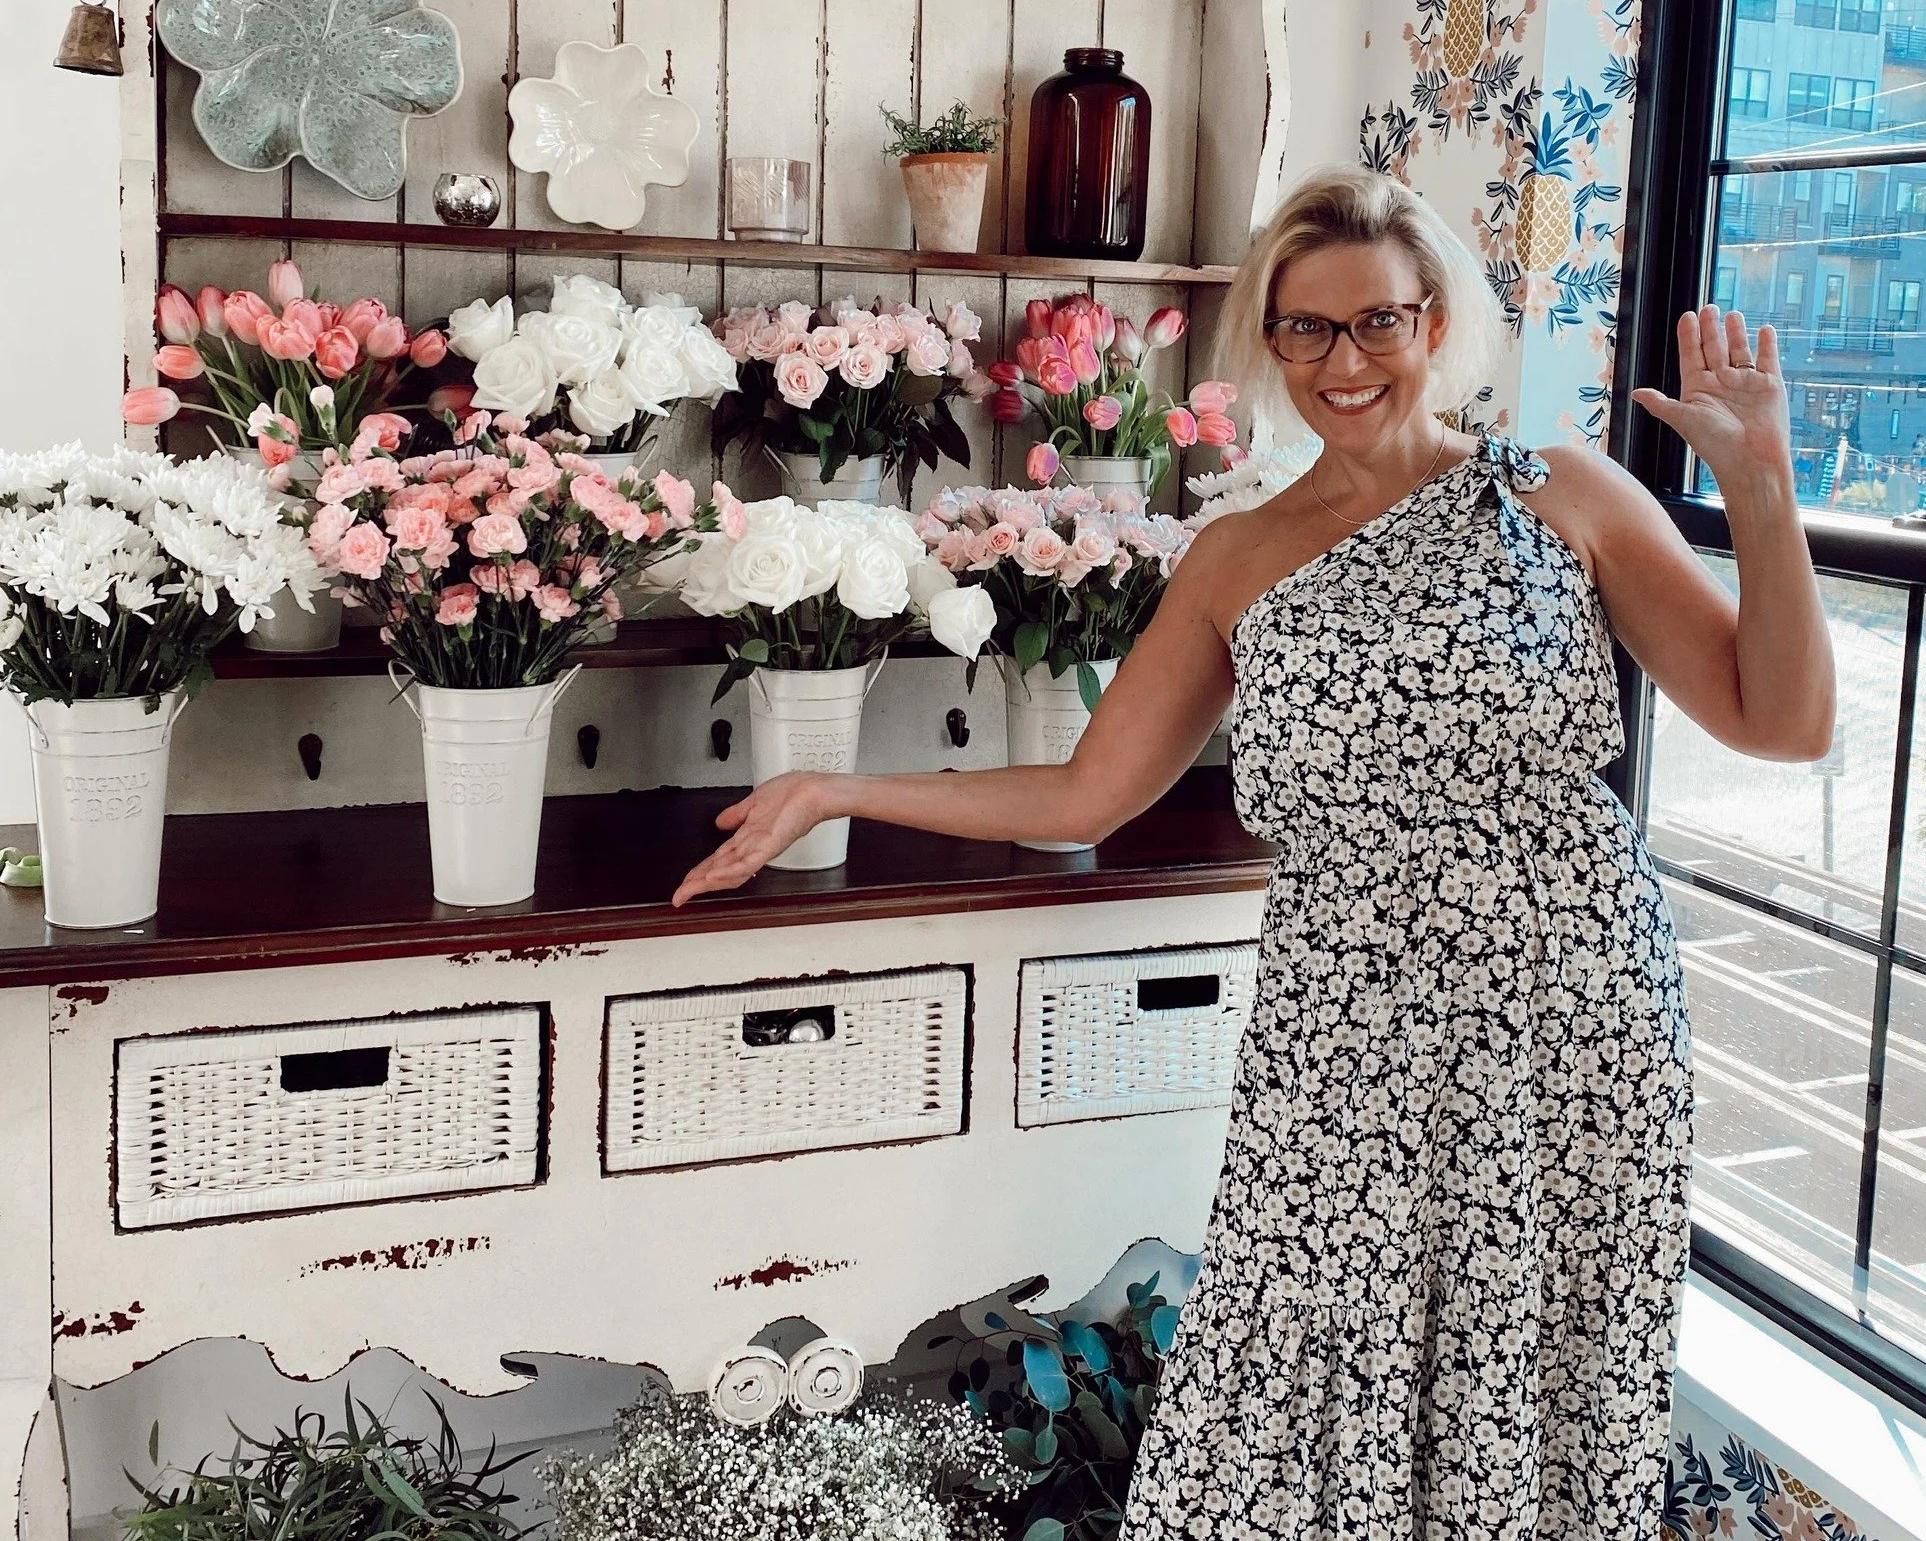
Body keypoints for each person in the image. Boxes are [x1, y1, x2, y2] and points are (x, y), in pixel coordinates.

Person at [671, 168, 1834, 1539]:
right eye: (1306, 330)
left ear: (1437, 320)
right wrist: (834, 789)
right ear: (1268, 343)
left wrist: (1762, 492)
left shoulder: (1559, 494)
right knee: (1299, 1342)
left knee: (1531, 1360)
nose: (1345, 362)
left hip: (1569, 1008)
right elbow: (1089, 794)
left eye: (1379, 324)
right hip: (1345, 1023)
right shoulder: (1237, 558)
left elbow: (1783, 721)